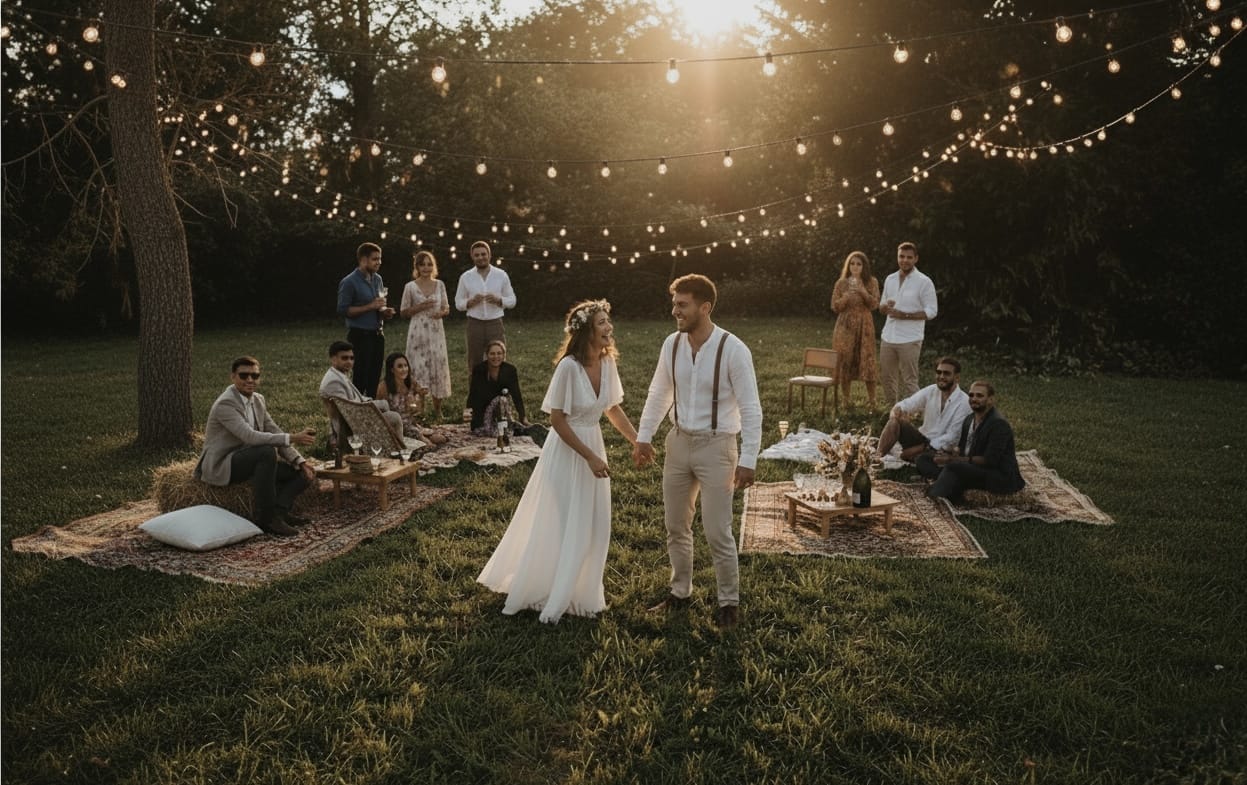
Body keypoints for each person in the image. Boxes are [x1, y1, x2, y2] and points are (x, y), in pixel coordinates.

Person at [477, 299, 639, 624]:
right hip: (568, 450)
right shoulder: (568, 367)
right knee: (565, 521)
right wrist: (590, 456)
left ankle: (582, 592)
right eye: (602, 323)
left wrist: (638, 441)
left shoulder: (608, 364)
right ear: (586, 331)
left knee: (593, 523)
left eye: (609, 321)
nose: (610, 328)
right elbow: (558, 421)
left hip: (593, 444)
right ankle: (550, 590)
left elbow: (612, 408)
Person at [632, 274, 762, 630]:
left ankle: (728, 603)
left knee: (718, 531)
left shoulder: (733, 349)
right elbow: (659, 393)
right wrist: (644, 437)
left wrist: (748, 459)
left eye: (682, 304)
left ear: (704, 308)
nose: (675, 311)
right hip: (678, 442)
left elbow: (751, 407)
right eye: (674, 303)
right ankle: (680, 591)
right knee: (676, 525)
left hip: (718, 446)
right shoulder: (671, 345)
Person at [194, 356, 317, 537]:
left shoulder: (258, 399)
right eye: (244, 375)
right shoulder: (225, 404)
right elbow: (250, 437)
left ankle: (279, 513)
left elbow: (273, 430)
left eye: (255, 375)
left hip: (249, 457)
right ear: (233, 377)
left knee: (300, 473)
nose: (250, 380)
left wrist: (300, 460)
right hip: (224, 463)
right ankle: (266, 519)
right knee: (266, 452)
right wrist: (293, 437)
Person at [917, 380, 1025, 504]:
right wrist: (951, 452)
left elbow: (989, 461)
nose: (974, 399)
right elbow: (963, 449)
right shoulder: (969, 419)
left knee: (954, 466)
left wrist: (953, 460)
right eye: (971, 395)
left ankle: (934, 496)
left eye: (979, 396)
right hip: (972, 467)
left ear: (990, 400)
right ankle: (949, 482)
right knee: (923, 459)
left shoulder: (999, 425)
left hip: (999, 476)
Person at [875, 356, 971, 463]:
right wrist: (897, 411)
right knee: (894, 422)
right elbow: (908, 403)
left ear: (957, 377)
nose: (941, 376)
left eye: (946, 373)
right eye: (939, 373)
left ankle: (914, 456)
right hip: (922, 439)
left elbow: (953, 437)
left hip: (943, 449)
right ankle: (876, 459)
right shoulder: (932, 390)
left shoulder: (964, 402)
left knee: (914, 457)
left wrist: (923, 447)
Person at [878, 241, 937, 405]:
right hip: (888, 337)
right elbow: (881, 306)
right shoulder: (890, 279)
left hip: (910, 339)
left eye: (909, 257)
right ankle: (893, 412)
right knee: (887, 378)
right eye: (901, 256)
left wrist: (904, 315)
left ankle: (918, 415)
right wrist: (884, 307)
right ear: (897, 257)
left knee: (910, 380)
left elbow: (932, 311)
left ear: (916, 259)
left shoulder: (924, 282)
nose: (904, 260)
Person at [337, 241, 395, 398]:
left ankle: (372, 411)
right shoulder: (349, 282)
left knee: (374, 378)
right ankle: (356, 412)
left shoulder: (378, 279)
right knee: (360, 378)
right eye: (375, 259)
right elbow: (343, 310)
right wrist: (370, 306)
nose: (379, 262)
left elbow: (378, 306)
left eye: (380, 259)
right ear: (363, 259)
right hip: (360, 335)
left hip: (377, 335)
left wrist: (384, 312)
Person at [400, 250, 452, 418]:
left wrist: (442, 313)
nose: (426, 267)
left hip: (436, 330)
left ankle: (438, 410)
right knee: (419, 367)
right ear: (417, 267)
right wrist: (421, 306)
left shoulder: (440, 285)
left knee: (438, 366)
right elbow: (403, 312)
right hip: (418, 331)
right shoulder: (410, 287)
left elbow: (446, 307)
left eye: (429, 264)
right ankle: (420, 409)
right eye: (422, 264)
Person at [318, 340, 404, 440]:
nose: (349, 362)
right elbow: (349, 410)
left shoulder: (338, 374)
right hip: (350, 426)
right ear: (333, 359)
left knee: (389, 409)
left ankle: (392, 446)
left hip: (355, 417)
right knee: (394, 417)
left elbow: (357, 400)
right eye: (344, 358)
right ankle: (399, 451)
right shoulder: (333, 381)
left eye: (351, 358)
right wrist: (381, 404)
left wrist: (374, 402)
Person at [454, 240, 516, 377]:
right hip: (474, 324)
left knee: (498, 361)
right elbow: (458, 303)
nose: (480, 257)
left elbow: (512, 300)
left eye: (483, 254)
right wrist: (470, 302)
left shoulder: (501, 275)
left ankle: (499, 396)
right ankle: (476, 397)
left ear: (489, 254)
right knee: (474, 363)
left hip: (495, 323)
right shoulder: (466, 277)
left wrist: (499, 300)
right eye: (477, 255)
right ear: (472, 256)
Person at [830, 250, 881, 409]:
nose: (855, 267)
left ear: (864, 266)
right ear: (848, 265)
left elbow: (875, 304)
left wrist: (863, 292)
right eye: (852, 263)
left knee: (868, 359)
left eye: (859, 264)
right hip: (845, 325)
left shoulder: (871, 281)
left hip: (864, 324)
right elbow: (835, 306)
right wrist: (846, 296)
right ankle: (846, 400)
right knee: (845, 360)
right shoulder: (841, 283)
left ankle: (872, 400)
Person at [466, 339, 528, 436]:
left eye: (499, 353)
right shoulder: (479, 370)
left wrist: (523, 416)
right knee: (482, 430)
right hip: (483, 409)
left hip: (501, 409)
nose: (496, 357)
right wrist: (468, 410)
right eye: (492, 354)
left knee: (502, 400)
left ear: (504, 355)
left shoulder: (510, 370)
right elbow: (473, 393)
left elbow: (516, 395)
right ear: (487, 355)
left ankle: (506, 426)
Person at [376, 352, 424, 438]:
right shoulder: (383, 387)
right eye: (400, 366)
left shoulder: (411, 383)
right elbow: (379, 415)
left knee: (440, 438)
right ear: (392, 370)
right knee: (431, 445)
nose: (404, 369)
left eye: (406, 365)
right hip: (395, 429)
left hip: (411, 425)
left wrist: (421, 397)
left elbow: (418, 410)